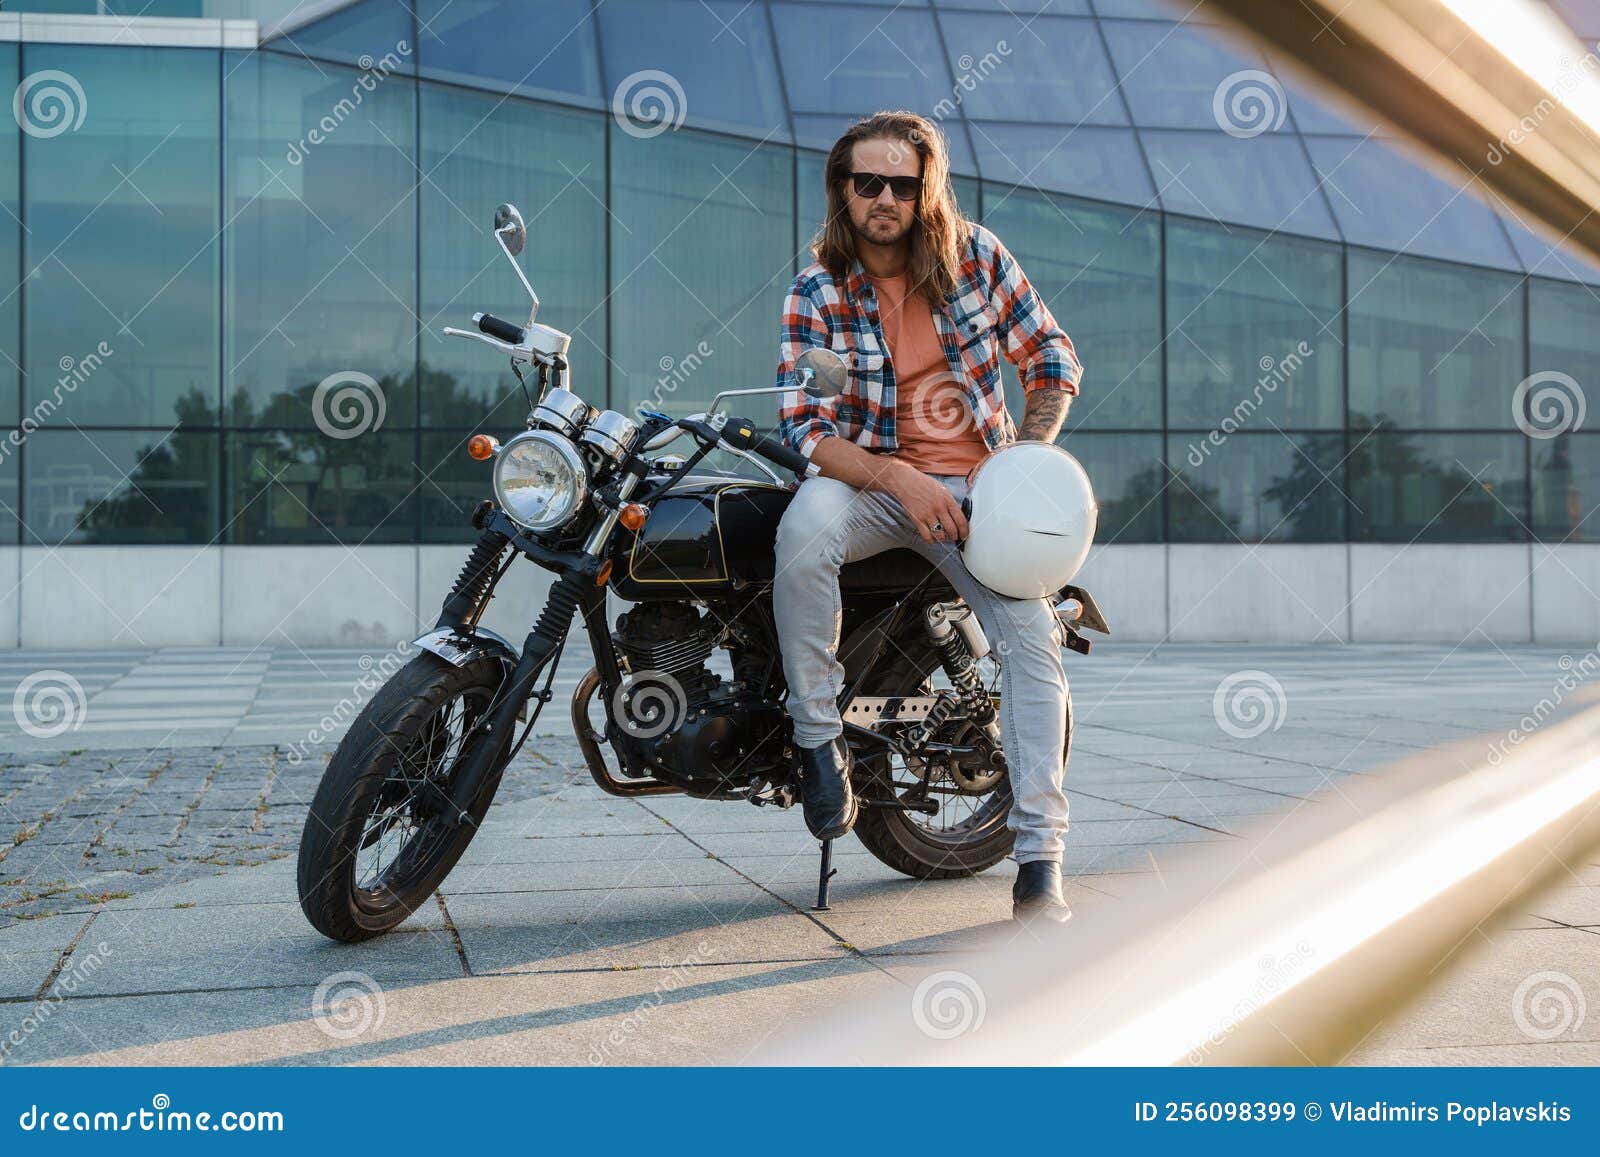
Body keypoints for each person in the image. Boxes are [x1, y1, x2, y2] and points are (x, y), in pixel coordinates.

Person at [773, 110, 1084, 923]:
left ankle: (1041, 860)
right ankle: (817, 739)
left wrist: (1026, 460)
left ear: (926, 191)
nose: (884, 198)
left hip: (983, 484)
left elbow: (1051, 356)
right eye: (866, 182)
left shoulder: (975, 256)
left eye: (902, 185)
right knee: (801, 533)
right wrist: (901, 480)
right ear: (842, 190)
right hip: (870, 482)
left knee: (1032, 640)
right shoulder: (817, 288)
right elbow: (806, 428)